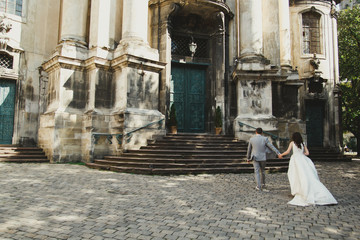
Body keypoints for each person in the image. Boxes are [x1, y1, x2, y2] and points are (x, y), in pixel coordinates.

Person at [279, 132, 338, 206]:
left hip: (295, 160)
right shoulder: (303, 143)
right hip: (303, 160)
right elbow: (307, 153)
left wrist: (281, 155)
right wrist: (301, 154)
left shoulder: (292, 143)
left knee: (296, 175)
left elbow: (288, 151)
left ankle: (298, 190)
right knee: (306, 175)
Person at [247, 128, 282, 192]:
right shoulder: (265, 139)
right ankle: (263, 184)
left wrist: (248, 158)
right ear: (262, 132)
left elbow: (249, 149)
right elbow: (271, 146)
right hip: (263, 157)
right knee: (262, 171)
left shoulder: (252, 139)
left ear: (256, 132)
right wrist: (278, 153)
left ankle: (258, 186)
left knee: (257, 171)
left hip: (255, 157)